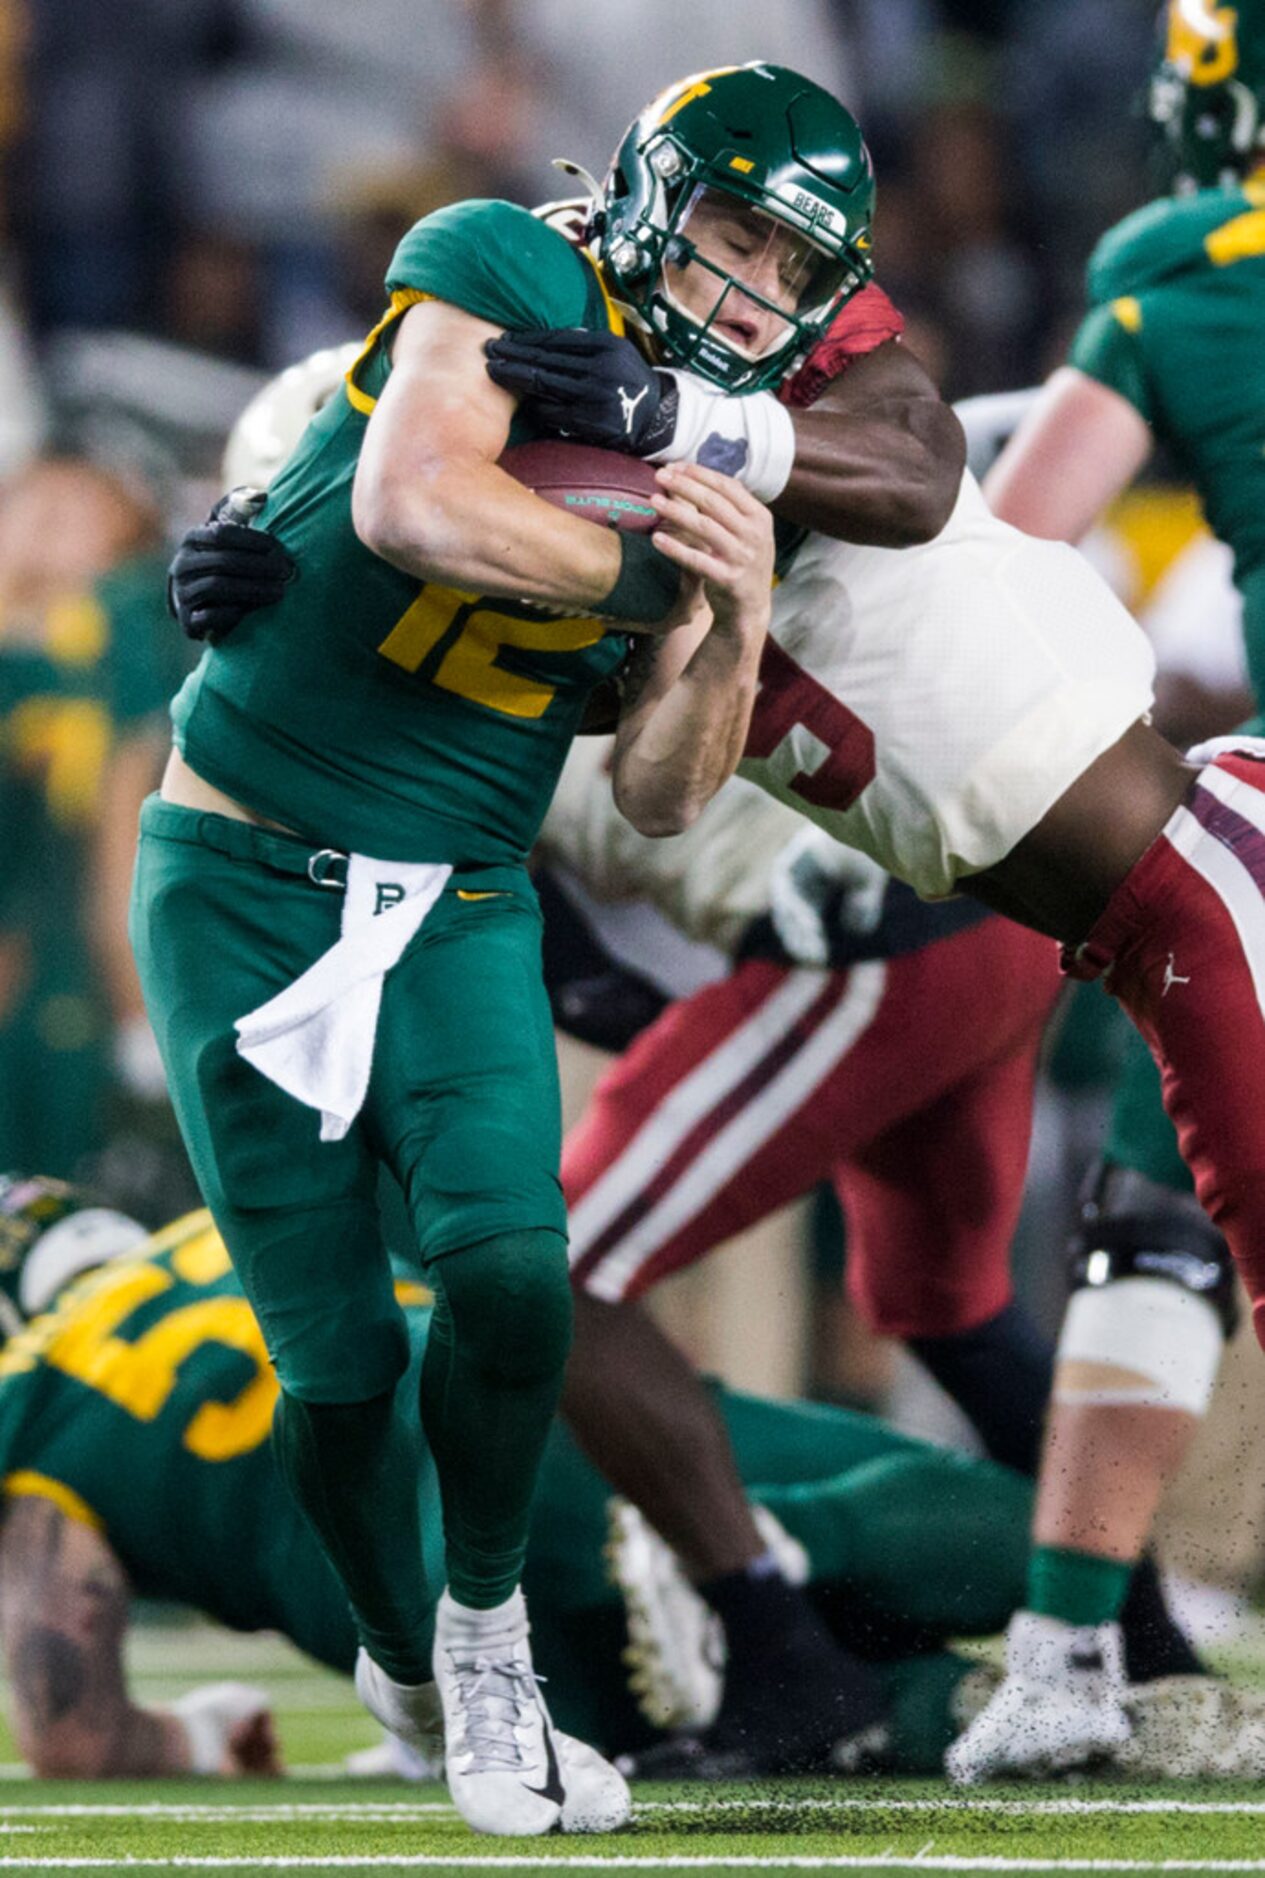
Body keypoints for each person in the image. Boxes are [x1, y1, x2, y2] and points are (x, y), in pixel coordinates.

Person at [135, 62, 969, 1837]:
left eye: (785, 260)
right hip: (239, 862)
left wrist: (731, 616)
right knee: (338, 1364)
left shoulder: (741, 457)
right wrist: (639, 571)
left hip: (457, 882)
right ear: (663, 197)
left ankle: (486, 1631)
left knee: (519, 1273)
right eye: (734, 229)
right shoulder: (511, 264)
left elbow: (664, 796)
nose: (748, 283)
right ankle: (399, 1651)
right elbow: (413, 505)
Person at [0, 1176, 1251, 1784]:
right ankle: (790, 1539)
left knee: (803, 1722)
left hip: (448, 1571)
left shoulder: (33, 1403)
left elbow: (73, 1731)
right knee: (971, 1520)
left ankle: (1043, 1720)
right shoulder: (216, 1228)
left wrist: (202, 1740)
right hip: (570, 1400)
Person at [946, 0, 1265, 1781]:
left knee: (1161, 1204)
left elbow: (1005, 547)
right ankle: (1073, 1642)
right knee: (1170, 1188)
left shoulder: (1185, 256)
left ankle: (1070, 1644)